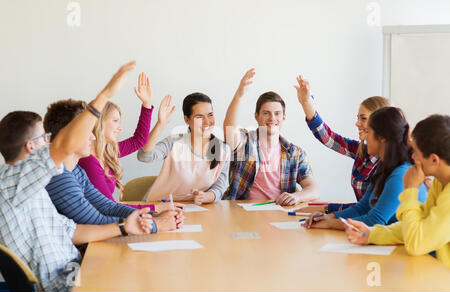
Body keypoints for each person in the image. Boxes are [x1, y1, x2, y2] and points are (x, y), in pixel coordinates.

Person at [0, 61, 152, 292]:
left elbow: (73, 231)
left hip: (75, 268)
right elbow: (62, 144)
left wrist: (124, 227)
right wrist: (105, 95)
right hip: (63, 284)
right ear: (31, 147)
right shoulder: (11, 182)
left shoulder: (33, 188)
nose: (49, 141)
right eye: (44, 138)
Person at [43, 99, 184, 229]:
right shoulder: (68, 173)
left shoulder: (79, 170)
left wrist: (152, 216)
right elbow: (97, 220)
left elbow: (108, 207)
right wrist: (155, 222)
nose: (92, 136)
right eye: (115, 121)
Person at [344, 114, 450, 268]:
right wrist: (371, 234)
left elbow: (416, 244)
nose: (412, 157)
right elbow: (416, 225)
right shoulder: (441, 183)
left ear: (434, 160)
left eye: (416, 153)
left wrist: (410, 190)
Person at [304, 106, 427, 230]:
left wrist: (330, 224)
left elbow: (374, 221)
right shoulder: (384, 167)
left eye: (368, 132)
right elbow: (362, 208)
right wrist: (330, 217)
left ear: (382, 138)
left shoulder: (400, 174)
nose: (365, 137)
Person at [294, 74, 390, 213]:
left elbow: (370, 208)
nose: (357, 123)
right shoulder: (362, 150)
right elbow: (328, 138)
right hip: (362, 223)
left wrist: (327, 209)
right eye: (358, 118)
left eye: (363, 118)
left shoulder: (391, 162)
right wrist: (306, 103)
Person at [223, 69, 319, 205]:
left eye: (277, 113)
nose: (272, 118)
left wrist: (298, 196)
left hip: (278, 212)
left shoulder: (295, 153)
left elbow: (313, 190)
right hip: (242, 213)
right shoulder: (245, 141)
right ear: (256, 116)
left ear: (283, 117)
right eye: (266, 113)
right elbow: (229, 128)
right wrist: (239, 95)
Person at [137, 93, 230, 205]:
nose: (207, 122)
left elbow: (219, 188)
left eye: (210, 115)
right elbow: (144, 156)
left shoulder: (223, 150)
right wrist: (161, 124)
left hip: (194, 210)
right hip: (158, 206)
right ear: (187, 120)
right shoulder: (174, 142)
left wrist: (205, 196)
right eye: (199, 117)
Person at [78, 72, 154, 202]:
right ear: (99, 122)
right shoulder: (88, 161)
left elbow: (139, 140)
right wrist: (155, 209)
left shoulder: (107, 151)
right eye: (115, 121)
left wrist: (147, 104)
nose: (120, 127)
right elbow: (110, 207)